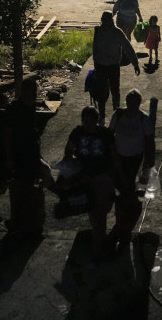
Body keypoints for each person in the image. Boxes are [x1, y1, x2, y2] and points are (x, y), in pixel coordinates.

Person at [63, 106, 124, 262]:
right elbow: (68, 150)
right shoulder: (77, 132)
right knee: (94, 212)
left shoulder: (105, 134)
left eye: (91, 121)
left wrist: (119, 177)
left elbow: (114, 156)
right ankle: (99, 241)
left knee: (100, 212)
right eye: (85, 121)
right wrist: (73, 167)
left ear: (97, 120)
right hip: (85, 178)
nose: (88, 124)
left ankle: (98, 246)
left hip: (103, 177)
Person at [108, 89, 155, 249]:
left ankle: (124, 227)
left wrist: (148, 165)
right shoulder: (118, 115)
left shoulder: (144, 119)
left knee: (130, 193)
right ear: (127, 103)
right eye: (130, 103)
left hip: (135, 160)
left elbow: (149, 142)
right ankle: (121, 224)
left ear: (139, 104)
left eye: (135, 104)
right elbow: (109, 135)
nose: (132, 107)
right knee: (121, 192)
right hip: (118, 158)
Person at [3, 78, 49, 239]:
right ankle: (17, 224)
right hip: (19, 156)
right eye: (29, 93)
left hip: (31, 155)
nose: (32, 96)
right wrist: (10, 158)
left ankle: (32, 223)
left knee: (33, 189)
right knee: (19, 192)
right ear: (23, 92)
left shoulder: (31, 108)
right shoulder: (14, 110)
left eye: (34, 93)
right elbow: (8, 136)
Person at [92, 10, 140, 123]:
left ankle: (116, 113)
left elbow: (128, 48)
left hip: (112, 66)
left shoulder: (117, 32)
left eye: (106, 20)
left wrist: (135, 63)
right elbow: (95, 47)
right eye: (103, 20)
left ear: (110, 21)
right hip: (101, 65)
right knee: (102, 92)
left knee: (114, 91)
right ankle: (102, 114)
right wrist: (96, 61)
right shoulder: (98, 30)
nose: (104, 22)